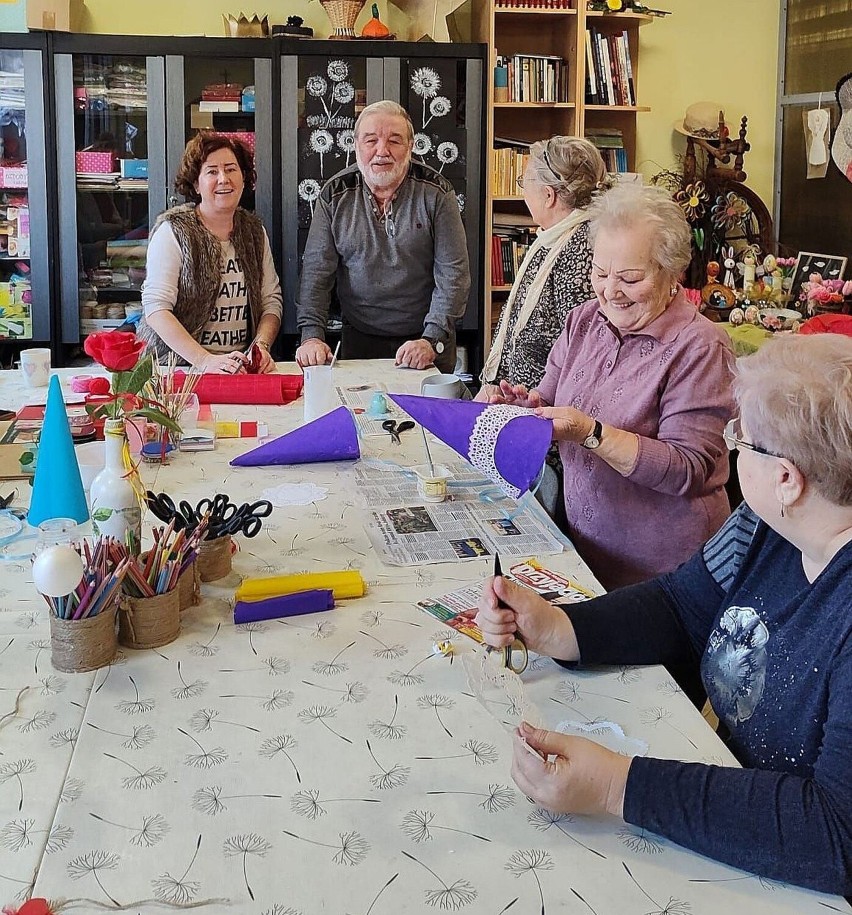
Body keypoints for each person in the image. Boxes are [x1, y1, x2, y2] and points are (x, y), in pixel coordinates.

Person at [475, 334, 852, 896]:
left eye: (740, 439)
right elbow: (681, 605)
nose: (732, 451)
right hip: (744, 820)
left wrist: (616, 787)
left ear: (787, 478)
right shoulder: (766, 525)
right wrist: (560, 627)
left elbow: (833, 834)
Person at [488, 183, 735, 589]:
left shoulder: (700, 346)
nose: (610, 290)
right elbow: (547, 400)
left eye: (630, 277)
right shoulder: (584, 320)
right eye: (600, 273)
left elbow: (689, 468)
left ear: (671, 273)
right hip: (585, 553)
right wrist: (523, 407)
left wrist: (591, 434)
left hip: (666, 577)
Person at [295, 100, 470, 374]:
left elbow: (454, 276)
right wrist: (311, 335)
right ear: (355, 146)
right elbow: (317, 272)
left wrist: (431, 338)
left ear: (410, 147)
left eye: (394, 141)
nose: (381, 151)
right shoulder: (334, 194)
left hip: (424, 340)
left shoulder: (437, 194)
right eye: (371, 140)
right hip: (358, 338)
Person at [137, 132, 282, 374]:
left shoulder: (254, 231)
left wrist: (261, 348)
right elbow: (156, 307)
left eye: (231, 169)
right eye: (212, 171)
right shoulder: (173, 231)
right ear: (196, 183)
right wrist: (205, 360)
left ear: (244, 178)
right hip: (175, 371)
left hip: (238, 372)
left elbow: (271, 300)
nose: (224, 179)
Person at [477, 136, 606, 400]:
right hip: (516, 399)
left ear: (549, 196)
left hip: (544, 409)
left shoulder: (582, 247)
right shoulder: (552, 237)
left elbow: (580, 348)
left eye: (524, 182)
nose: (523, 191)